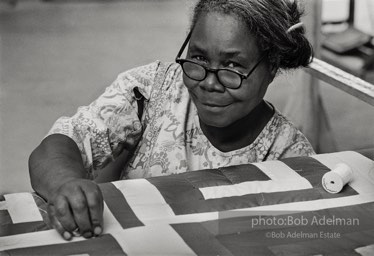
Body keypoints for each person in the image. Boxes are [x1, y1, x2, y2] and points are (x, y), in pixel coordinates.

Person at [29, 0, 315, 241]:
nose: (209, 82)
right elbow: (61, 143)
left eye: (232, 66)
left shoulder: (288, 155)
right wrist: (64, 183)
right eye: (199, 58)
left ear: (272, 67)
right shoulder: (151, 92)